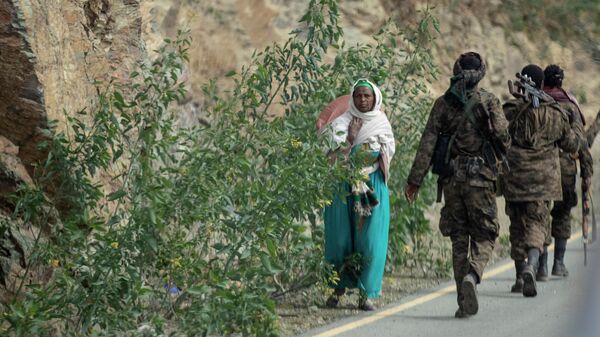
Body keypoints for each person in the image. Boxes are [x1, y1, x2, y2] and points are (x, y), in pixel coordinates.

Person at [404, 52, 510, 318]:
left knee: (459, 239)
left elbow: (427, 143)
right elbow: (503, 139)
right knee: (485, 233)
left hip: (451, 180)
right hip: (481, 178)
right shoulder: (489, 102)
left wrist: (414, 180)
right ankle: (473, 276)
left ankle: (463, 302)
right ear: (482, 73)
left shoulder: (442, 104)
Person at [503, 64, 582, 297]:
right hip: (542, 181)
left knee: (517, 225)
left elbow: (496, 133)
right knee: (537, 224)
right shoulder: (555, 113)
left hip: (515, 178)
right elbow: (573, 144)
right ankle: (532, 264)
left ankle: (519, 276)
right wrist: (575, 122)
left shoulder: (510, 110)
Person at [323, 79, 395, 311]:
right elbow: (331, 158)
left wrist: (368, 156)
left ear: (376, 98)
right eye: (358, 96)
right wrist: (351, 138)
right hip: (342, 187)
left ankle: (366, 294)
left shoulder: (381, 123)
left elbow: (386, 153)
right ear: (352, 99)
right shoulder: (340, 124)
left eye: (367, 96)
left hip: (371, 187)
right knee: (339, 240)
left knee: (371, 241)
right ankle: (337, 289)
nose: (363, 100)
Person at [537, 64, 593, 280]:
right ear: (561, 82)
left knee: (541, 215)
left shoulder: (536, 103)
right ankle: (558, 264)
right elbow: (581, 144)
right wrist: (586, 173)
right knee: (561, 215)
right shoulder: (570, 107)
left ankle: (540, 266)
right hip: (566, 170)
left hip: (542, 167)